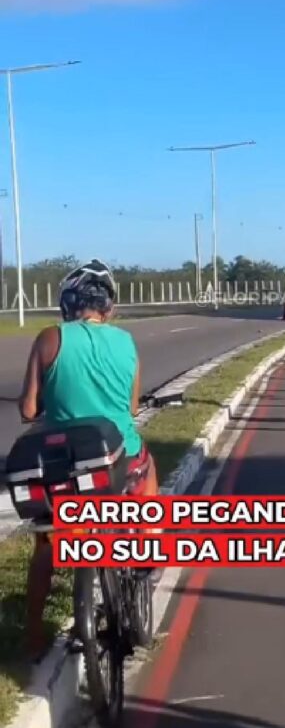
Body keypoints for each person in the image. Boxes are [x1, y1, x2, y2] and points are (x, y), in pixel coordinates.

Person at [17, 259, 158, 660]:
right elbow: (130, 409)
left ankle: (32, 635)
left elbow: (28, 410)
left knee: (46, 542)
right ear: (108, 307)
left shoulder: (48, 339)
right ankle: (147, 547)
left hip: (65, 464)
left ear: (67, 303)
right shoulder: (126, 341)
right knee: (144, 464)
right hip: (117, 458)